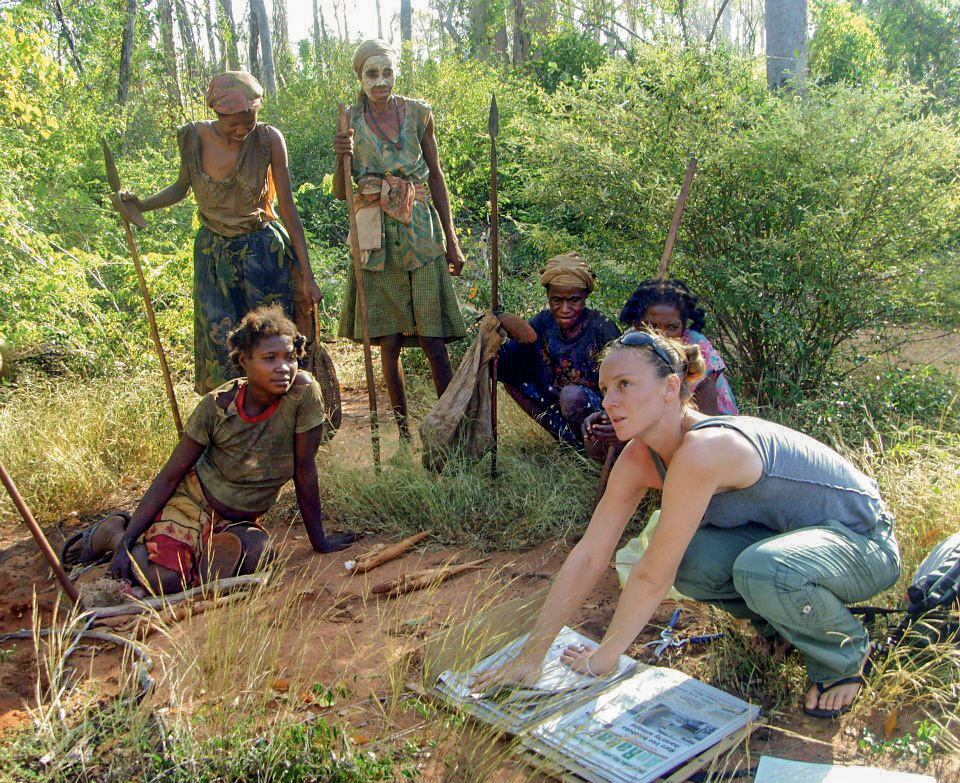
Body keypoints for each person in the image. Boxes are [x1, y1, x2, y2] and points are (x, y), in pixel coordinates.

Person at [473, 329, 901, 719]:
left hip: (862, 544)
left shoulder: (705, 449)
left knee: (761, 567)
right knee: (694, 560)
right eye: (604, 388)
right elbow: (589, 556)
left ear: (671, 387)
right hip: (792, 546)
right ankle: (780, 627)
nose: (609, 401)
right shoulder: (640, 456)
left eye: (625, 385)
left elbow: (652, 574)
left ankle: (844, 654)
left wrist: (605, 658)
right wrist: (533, 655)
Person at [61, 306, 357, 595]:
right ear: (244, 361)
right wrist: (126, 543)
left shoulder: (302, 394)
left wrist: (319, 542)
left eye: (290, 358)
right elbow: (170, 474)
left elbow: (304, 469)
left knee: (261, 556)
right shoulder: (217, 407)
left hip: (241, 518)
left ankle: (207, 550)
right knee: (164, 582)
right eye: (269, 358)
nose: (283, 368)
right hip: (192, 503)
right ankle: (115, 532)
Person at [120, 71, 322, 394]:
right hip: (213, 257)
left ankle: (284, 423)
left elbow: (288, 207)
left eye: (250, 121)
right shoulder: (193, 138)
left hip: (263, 255)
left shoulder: (270, 139)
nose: (242, 130)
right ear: (217, 114)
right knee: (222, 345)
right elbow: (181, 187)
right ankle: (230, 426)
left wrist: (308, 276)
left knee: (274, 342)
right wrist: (140, 205)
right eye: (233, 124)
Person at [333, 39, 467, 439]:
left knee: (433, 338)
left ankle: (448, 429)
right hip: (375, 232)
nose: (380, 82)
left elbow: (436, 175)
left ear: (396, 73)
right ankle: (404, 432)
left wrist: (452, 238)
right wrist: (342, 152)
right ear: (360, 77)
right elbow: (343, 192)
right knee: (388, 340)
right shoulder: (349, 119)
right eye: (371, 74)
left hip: (420, 229)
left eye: (387, 72)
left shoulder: (419, 114)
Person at [496, 253, 620, 449]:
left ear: (586, 296)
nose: (565, 308)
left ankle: (594, 447)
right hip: (555, 401)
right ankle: (568, 441)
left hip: (599, 410)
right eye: (557, 300)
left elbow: (623, 380)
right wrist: (497, 328)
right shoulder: (542, 323)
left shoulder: (601, 327)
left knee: (571, 396)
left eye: (573, 300)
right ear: (548, 296)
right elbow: (510, 362)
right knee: (512, 378)